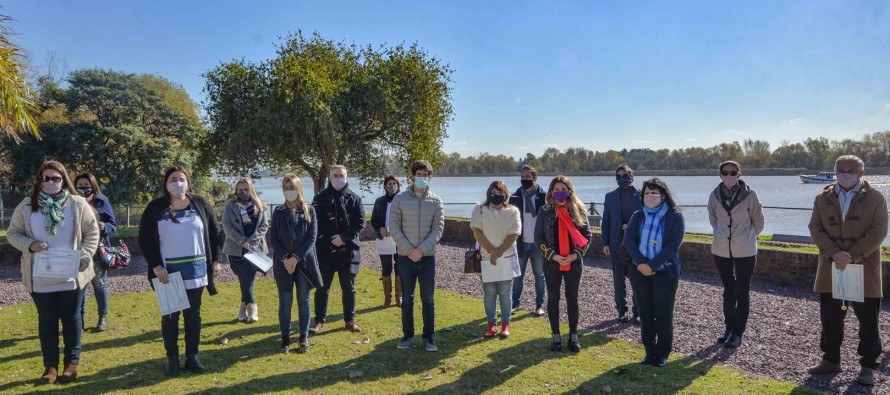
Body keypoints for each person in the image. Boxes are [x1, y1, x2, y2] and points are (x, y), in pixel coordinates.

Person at [7, 160, 100, 384]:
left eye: (56, 179)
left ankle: (71, 363)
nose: (51, 182)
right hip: (40, 277)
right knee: (47, 322)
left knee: (72, 319)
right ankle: (50, 367)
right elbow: (13, 233)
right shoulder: (26, 206)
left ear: (63, 180)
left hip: (72, 276)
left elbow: (92, 233)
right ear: (40, 180)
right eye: (47, 178)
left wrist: (85, 256)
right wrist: (30, 244)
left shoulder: (77, 204)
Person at [807, 155, 888, 387]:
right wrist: (834, 253)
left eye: (850, 170)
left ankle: (868, 367)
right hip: (832, 266)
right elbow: (815, 227)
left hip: (864, 268)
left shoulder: (876, 198)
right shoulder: (822, 197)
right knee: (830, 319)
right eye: (840, 170)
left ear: (861, 173)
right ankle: (831, 359)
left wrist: (852, 255)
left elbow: (879, 230)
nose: (845, 174)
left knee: (868, 322)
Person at [138, 166, 222, 377]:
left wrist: (217, 260)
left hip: (196, 271)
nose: (178, 183)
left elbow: (215, 232)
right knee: (171, 316)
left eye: (181, 179)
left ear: (188, 182)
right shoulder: (156, 207)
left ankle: (192, 356)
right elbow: (145, 239)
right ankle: (172, 358)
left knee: (193, 315)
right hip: (168, 273)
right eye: (173, 179)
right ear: (166, 183)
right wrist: (156, 265)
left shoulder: (200, 204)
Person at [623, 178, 685, 367]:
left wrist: (653, 265)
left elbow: (673, 245)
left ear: (663, 195)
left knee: (663, 313)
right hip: (639, 272)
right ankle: (649, 351)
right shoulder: (637, 215)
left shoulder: (675, 216)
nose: (650, 197)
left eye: (654, 193)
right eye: (647, 193)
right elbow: (629, 240)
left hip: (665, 273)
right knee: (646, 312)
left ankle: (663, 353)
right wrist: (642, 264)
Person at [707, 161, 764, 349]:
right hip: (721, 250)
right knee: (728, 290)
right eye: (725, 172)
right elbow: (713, 219)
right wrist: (723, 235)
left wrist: (747, 237)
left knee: (742, 290)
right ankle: (728, 328)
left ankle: (738, 332)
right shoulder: (714, 195)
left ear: (739, 174)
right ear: (720, 174)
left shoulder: (750, 195)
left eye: (733, 172)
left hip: (745, 250)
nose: (729, 175)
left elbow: (758, 221)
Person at [390, 160, 445, 352]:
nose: (422, 178)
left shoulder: (436, 201)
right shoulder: (400, 199)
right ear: (412, 176)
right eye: (418, 174)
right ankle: (407, 336)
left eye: (425, 175)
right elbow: (394, 227)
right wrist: (409, 250)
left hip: (427, 258)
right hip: (405, 258)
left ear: (429, 177)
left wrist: (421, 250)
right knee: (407, 298)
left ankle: (429, 338)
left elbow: (438, 229)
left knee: (428, 300)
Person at [534, 175, 592, 353]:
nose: (560, 193)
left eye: (563, 189)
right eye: (556, 190)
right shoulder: (545, 211)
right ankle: (556, 336)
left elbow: (587, 236)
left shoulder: (578, 210)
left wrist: (576, 255)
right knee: (553, 299)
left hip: (574, 263)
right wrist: (553, 256)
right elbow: (538, 238)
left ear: (569, 191)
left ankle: (573, 337)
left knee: (572, 299)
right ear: (551, 192)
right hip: (553, 263)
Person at [269, 174, 323, 353]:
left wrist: (296, 258)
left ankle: (303, 336)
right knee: (285, 302)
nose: (288, 191)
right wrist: (286, 258)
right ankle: (285, 338)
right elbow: (274, 239)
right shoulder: (278, 212)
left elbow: (312, 238)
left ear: (298, 188)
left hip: (304, 264)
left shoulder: (310, 211)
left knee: (303, 301)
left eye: (291, 187)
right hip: (283, 265)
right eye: (285, 188)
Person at [309, 165, 366, 334]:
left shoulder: (355, 198)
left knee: (349, 287)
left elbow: (360, 222)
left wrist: (344, 237)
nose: (338, 178)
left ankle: (350, 319)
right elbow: (315, 222)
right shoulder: (319, 198)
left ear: (347, 177)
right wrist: (331, 238)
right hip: (325, 250)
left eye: (341, 175)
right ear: (329, 177)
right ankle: (319, 321)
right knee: (322, 287)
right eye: (335, 175)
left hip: (348, 250)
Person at [471, 181, 522, 338]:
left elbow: (514, 233)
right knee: (489, 292)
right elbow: (477, 231)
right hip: (486, 258)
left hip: (506, 258)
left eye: (500, 192)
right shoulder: (479, 209)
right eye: (493, 191)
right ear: (488, 192)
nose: (496, 195)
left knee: (505, 293)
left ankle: (505, 324)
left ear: (505, 194)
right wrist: (491, 250)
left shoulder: (513, 211)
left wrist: (499, 251)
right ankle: (491, 324)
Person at [74, 172, 118, 332]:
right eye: (80, 185)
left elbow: (113, 224)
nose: (83, 188)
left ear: (93, 185)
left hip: (99, 250)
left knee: (99, 284)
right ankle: (80, 319)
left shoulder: (102, 201)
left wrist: (104, 227)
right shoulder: (72, 201)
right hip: (78, 249)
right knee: (80, 285)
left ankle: (102, 318)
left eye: (86, 185)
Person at [222, 178, 269, 323]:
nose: (243, 192)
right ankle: (252, 310)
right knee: (245, 280)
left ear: (251, 190)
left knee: (247, 280)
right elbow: (227, 227)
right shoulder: (230, 206)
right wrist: (242, 241)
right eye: (240, 190)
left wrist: (252, 241)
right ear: (236, 191)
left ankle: (242, 313)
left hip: (256, 250)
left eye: (246, 189)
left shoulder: (259, 205)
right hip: (236, 250)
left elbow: (264, 226)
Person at [601, 164, 642, 324]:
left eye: (625, 175)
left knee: (636, 280)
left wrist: (633, 226)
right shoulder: (610, 197)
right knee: (618, 280)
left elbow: (646, 218)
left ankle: (637, 312)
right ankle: (621, 311)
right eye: (618, 176)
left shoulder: (641, 195)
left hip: (636, 245)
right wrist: (605, 243)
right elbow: (606, 221)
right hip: (616, 243)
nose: (622, 178)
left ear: (631, 176)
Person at [508, 165, 547, 316]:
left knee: (539, 275)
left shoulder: (544, 196)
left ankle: (539, 305)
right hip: (521, 242)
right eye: (523, 177)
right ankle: (515, 303)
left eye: (528, 177)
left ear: (534, 178)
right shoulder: (515, 197)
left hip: (538, 243)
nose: (525, 180)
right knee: (518, 275)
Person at [370, 175, 402, 307]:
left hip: (400, 239)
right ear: (385, 186)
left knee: (400, 267)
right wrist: (379, 229)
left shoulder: (403, 200)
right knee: (386, 267)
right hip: (384, 239)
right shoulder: (379, 202)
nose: (392, 186)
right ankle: (387, 298)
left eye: (395, 183)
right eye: (389, 184)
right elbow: (374, 220)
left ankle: (399, 297)